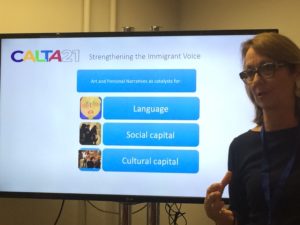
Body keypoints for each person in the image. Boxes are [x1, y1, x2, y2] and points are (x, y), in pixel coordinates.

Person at [204, 32, 300, 225]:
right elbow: (242, 218)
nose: (255, 81)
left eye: (267, 68)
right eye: (249, 73)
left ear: (295, 72)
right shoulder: (241, 147)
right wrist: (220, 218)